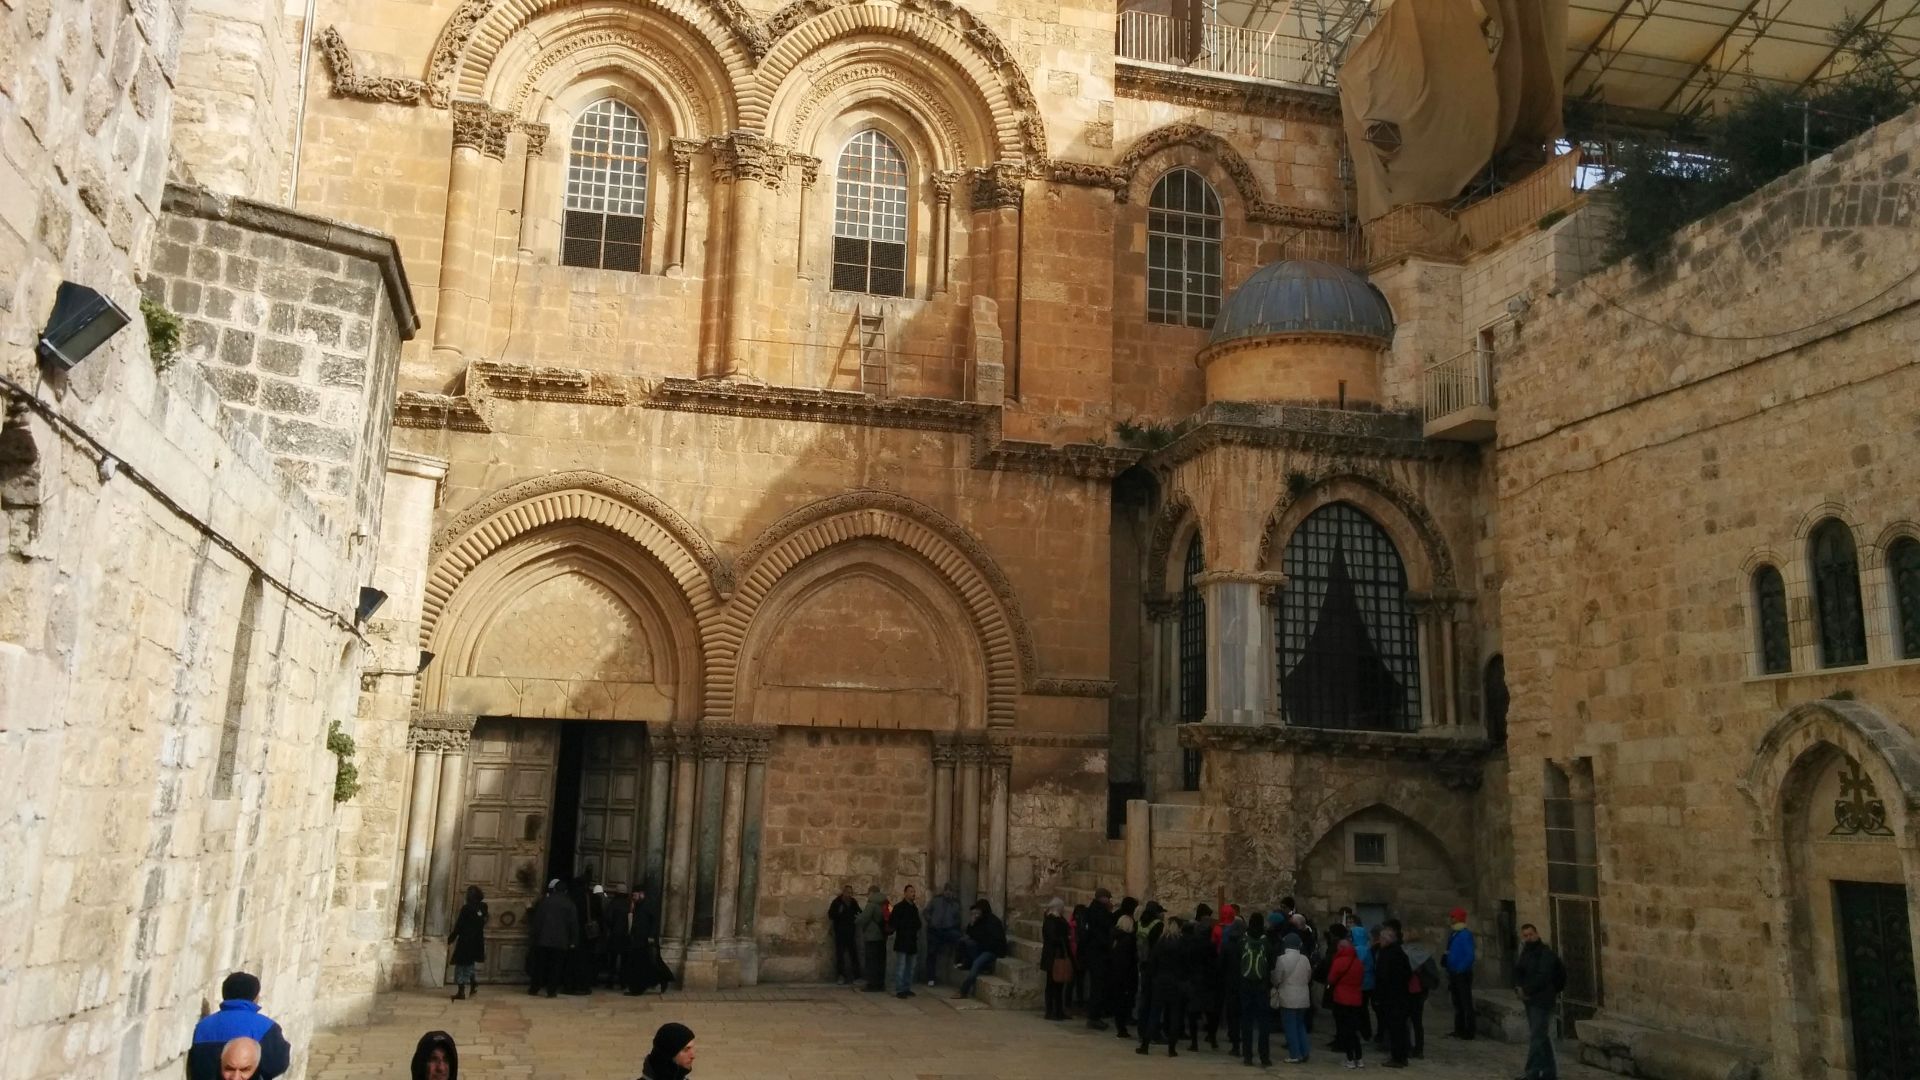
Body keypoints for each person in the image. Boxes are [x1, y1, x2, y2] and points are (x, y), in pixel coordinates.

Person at [187, 972, 292, 1080]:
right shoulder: (266, 1027)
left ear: (224, 994)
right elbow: (279, 1064)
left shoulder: (202, 1026)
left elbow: (197, 1065)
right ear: (255, 997)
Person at [1515, 923, 1567, 1080]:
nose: (1528, 938)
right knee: (1541, 1037)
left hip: (1542, 1001)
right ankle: (1550, 1072)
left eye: (1530, 934)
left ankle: (1532, 1073)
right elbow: (1519, 971)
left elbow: (1543, 976)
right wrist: (1518, 988)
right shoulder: (1525, 953)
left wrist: (1527, 989)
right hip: (1530, 1001)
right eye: (1525, 935)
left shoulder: (1546, 954)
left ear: (1536, 934)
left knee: (1537, 1037)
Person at [1140, 913, 1187, 1057]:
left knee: (1155, 1013)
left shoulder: (1160, 943)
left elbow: (1152, 963)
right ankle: (1172, 1048)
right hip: (1175, 982)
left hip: (1160, 981)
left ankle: (1145, 1044)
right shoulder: (1181, 944)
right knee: (1174, 1015)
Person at [528, 878, 579, 997]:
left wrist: (534, 937)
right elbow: (573, 924)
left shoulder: (545, 901)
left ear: (554, 889)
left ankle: (534, 988)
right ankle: (551, 991)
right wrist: (573, 941)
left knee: (540, 965)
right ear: (566, 891)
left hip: (543, 940)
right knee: (556, 967)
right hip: (561, 941)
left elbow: (538, 920)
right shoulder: (569, 904)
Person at [1236, 909, 1273, 1066]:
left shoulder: (1243, 940)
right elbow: (1272, 962)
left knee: (1246, 1021)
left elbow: (1237, 961)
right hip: (1262, 985)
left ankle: (1247, 1056)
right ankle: (1264, 1057)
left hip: (1245, 984)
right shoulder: (1266, 941)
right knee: (1264, 1023)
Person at [1326, 924, 1366, 1069]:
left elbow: (1331, 979)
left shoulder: (1339, 962)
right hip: (1356, 999)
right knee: (1354, 1030)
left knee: (1345, 1030)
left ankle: (1350, 1059)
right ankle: (1359, 1059)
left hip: (1341, 999)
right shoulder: (1358, 963)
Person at [1374, 924, 1412, 1067]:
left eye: (1382, 938)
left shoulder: (1389, 954)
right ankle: (1400, 1056)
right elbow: (1407, 973)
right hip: (1400, 995)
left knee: (1395, 1028)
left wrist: (1380, 994)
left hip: (1392, 997)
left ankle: (1398, 1057)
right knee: (1399, 1028)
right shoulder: (1399, 952)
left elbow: (1383, 976)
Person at [1272, 931, 1313, 1065]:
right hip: (1303, 997)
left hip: (1288, 996)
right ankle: (1304, 1051)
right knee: (1300, 1025)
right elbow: (1308, 976)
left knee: (1289, 1027)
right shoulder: (1305, 959)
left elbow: (1277, 978)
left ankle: (1295, 1054)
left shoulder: (1282, 959)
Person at [1402, 923, 1440, 1059]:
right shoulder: (1424, 952)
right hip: (1419, 991)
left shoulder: (1405, 952)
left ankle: (1408, 1047)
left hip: (1410, 989)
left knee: (1406, 1020)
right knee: (1417, 1022)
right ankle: (1418, 1049)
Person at [955, 898, 1006, 999]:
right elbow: (971, 934)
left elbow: (993, 940)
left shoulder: (993, 922)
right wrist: (972, 923)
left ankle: (963, 991)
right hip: (983, 948)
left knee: (976, 965)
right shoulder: (980, 920)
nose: (977, 913)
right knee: (965, 942)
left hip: (991, 951)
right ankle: (965, 963)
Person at [1079, 887, 1115, 1030]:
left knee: (1096, 986)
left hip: (1091, 954)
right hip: (1098, 955)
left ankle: (1094, 1015)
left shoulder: (1090, 911)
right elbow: (1105, 929)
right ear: (1103, 898)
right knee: (1097, 987)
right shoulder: (1100, 912)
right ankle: (1094, 1017)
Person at [447, 885, 488, 1001]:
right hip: (477, 941)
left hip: (466, 940)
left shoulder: (466, 908)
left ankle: (461, 992)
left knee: (460, 966)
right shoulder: (483, 907)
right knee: (470, 964)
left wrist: (451, 939)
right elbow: (483, 920)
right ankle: (473, 983)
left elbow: (459, 925)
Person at [1443, 906, 1477, 1040]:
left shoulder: (1465, 934)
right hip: (1454, 972)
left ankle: (1469, 1031)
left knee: (1465, 1003)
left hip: (1461, 973)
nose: (1451, 919)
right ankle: (1459, 1029)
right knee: (1457, 1003)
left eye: (1453, 917)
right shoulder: (1454, 934)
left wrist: (1460, 969)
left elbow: (1470, 955)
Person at [1109, 896, 1139, 1040]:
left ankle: (1121, 1026)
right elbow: (1128, 961)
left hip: (1116, 975)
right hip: (1125, 976)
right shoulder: (1127, 941)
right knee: (1123, 1001)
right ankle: (1122, 1028)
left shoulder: (1117, 939)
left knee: (1118, 1001)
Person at [1040, 897, 1072, 1020]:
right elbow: (1053, 937)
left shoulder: (1056, 919)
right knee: (1052, 984)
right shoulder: (1051, 920)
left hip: (1057, 956)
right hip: (1054, 957)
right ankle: (1052, 1011)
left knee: (1058, 985)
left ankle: (1058, 1010)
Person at [923, 882, 961, 986]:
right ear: (944, 891)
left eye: (950, 890)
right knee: (931, 952)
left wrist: (953, 924)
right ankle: (930, 977)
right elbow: (926, 911)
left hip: (947, 930)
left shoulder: (955, 905)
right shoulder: (936, 901)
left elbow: (958, 919)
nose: (948, 892)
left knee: (959, 939)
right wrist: (930, 921)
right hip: (934, 930)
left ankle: (958, 962)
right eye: (947, 890)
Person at [890, 883, 923, 998]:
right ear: (905, 893)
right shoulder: (899, 907)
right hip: (902, 941)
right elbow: (894, 923)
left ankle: (906, 987)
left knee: (910, 967)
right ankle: (899, 989)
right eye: (911, 891)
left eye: (914, 892)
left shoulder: (914, 908)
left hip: (912, 941)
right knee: (901, 966)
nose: (913, 894)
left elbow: (918, 923)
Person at [827, 884, 862, 985]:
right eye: (847, 892)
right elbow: (831, 915)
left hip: (851, 932)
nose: (849, 895)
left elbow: (859, 912)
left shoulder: (853, 902)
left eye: (851, 893)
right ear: (843, 892)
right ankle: (841, 976)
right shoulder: (837, 902)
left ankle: (857, 976)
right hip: (840, 932)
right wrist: (839, 912)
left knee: (854, 954)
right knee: (840, 955)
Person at [856, 885, 888, 992]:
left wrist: (857, 919)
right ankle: (880, 983)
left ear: (871, 892)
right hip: (883, 936)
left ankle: (871, 984)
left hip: (872, 936)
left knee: (871, 962)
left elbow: (864, 918)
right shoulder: (886, 902)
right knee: (880, 961)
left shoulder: (871, 904)